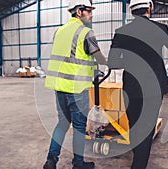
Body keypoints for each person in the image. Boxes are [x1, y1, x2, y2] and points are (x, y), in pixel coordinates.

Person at [107, 0, 168, 168]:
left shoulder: (122, 32)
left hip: (131, 88)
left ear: (132, 12)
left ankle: (138, 162)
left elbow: (113, 62)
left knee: (134, 127)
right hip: (154, 88)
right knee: (146, 129)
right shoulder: (160, 29)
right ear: (149, 8)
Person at [43, 0, 106, 169]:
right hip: (76, 88)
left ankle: (50, 161)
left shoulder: (59, 31)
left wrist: (92, 70)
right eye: (89, 11)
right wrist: (109, 62)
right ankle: (78, 164)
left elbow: (71, 57)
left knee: (62, 124)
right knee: (79, 127)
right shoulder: (86, 32)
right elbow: (98, 57)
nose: (91, 14)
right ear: (79, 12)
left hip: (59, 86)